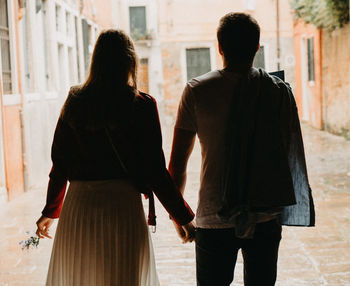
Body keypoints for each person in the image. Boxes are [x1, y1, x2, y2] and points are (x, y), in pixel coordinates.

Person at [35, 29, 195, 286]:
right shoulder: (142, 105)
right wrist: (182, 216)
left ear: (95, 61)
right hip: (122, 208)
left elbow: (60, 164)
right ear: (130, 62)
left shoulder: (75, 101)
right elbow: (155, 171)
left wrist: (50, 211)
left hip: (80, 207)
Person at [169, 13, 315, 286]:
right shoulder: (278, 91)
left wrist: (179, 216)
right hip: (265, 215)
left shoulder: (197, 91)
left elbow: (176, 166)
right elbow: (285, 153)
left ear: (220, 47)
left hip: (214, 216)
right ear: (256, 47)